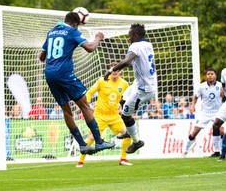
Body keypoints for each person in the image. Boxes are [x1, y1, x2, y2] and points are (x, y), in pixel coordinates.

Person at [39, 11, 115, 155]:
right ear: (75, 24)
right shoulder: (72, 31)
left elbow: (41, 57)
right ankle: (99, 142)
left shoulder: (51, 32)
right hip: (65, 75)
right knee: (84, 105)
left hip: (49, 75)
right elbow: (90, 48)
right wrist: (98, 38)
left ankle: (82, 145)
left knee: (66, 110)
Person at [104, 23, 157, 154]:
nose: (129, 39)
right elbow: (132, 63)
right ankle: (129, 130)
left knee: (125, 116)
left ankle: (136, 141)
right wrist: (120, 64)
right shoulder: (147, 45)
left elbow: (128, 60)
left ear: (136, 35)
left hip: (143, 89)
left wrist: (111, 70)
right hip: (139, 84)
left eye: (130, 36)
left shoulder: (136, 45)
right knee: (122, 101)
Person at [76, 61, 131, 167]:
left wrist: (123, 107)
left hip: (114, 116)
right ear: (110, 70)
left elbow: (126, 98)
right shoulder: (102, 81)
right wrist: (88, 106)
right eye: (113, 69)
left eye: (117, 69)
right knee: (92, 138)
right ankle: (80, 161)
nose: (115, 71)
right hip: (100, 115)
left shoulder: (124, 84)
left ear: (121, 72)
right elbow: (89, 92)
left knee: (127, 135)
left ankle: (123, 159)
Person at [183, 68, 222, 156]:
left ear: (215, 76)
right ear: (206, 76)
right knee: (195, 131)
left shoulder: (220, 86)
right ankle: (185, 151)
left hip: (217, 112)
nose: (210, 75)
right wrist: (193, 105)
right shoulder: (202, 86)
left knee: (221, 130)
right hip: (204, 112)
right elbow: (196, 96)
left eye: (212, 74)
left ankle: (218, 151)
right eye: (208, 74)